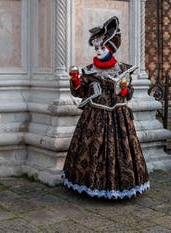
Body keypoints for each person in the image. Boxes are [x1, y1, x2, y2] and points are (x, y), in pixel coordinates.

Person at [62, 16, 149, 199]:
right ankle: (89, 184)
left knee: (122, 152)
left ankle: (121, 186)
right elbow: (79, 93)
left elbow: (129, 93)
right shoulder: (88, 70)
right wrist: (76, 81)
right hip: (94, 116)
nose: (98, 51)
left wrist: (125, 90)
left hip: (119, 116)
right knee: (91, 151)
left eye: (102, 48)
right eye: (96, 48)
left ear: (110, 49)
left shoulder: (123, 69)